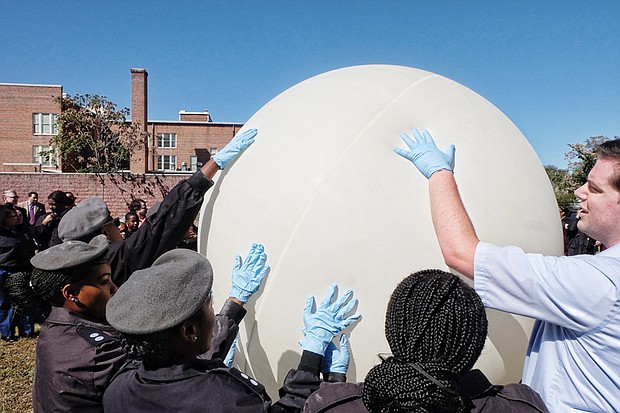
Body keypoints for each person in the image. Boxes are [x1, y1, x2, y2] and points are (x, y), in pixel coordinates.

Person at [393, 129, 620, 411]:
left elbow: (462, 254)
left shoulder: (598, 283)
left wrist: (439, 173)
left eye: (595, 189)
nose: (579, 192)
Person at [103, 247, 361, 412]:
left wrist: (236, 303)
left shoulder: (118, 389)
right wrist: (314, 358)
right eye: (209, 305)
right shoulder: (223, 397)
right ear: (189, 331)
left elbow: (190, 364)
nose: (214, 315)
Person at [302, 270, 547, 413]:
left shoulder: (333, 407)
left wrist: (324, 375)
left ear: (393, 332)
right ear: (476, 341)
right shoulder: (524, 407)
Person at [57, 128, 259, 286]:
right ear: (102, 233)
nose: (118, 226)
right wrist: (213, 163)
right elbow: (164, 222)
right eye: (112, 222)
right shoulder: (116, 260)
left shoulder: (71, 273)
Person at [6, 235, 124, 412]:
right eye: (105, 282)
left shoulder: (53, 323)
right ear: (70, 293)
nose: (115, 289)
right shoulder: (102, 352)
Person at [0, 204, 36, 341]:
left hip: (23, 269)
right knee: (5, 303)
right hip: (5, 270)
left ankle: (27, 330)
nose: (17, 218)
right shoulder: (3, 233)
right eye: (13, 216)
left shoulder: (24, 231)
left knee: (25, 300)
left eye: (19, 215)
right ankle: (7, 332)